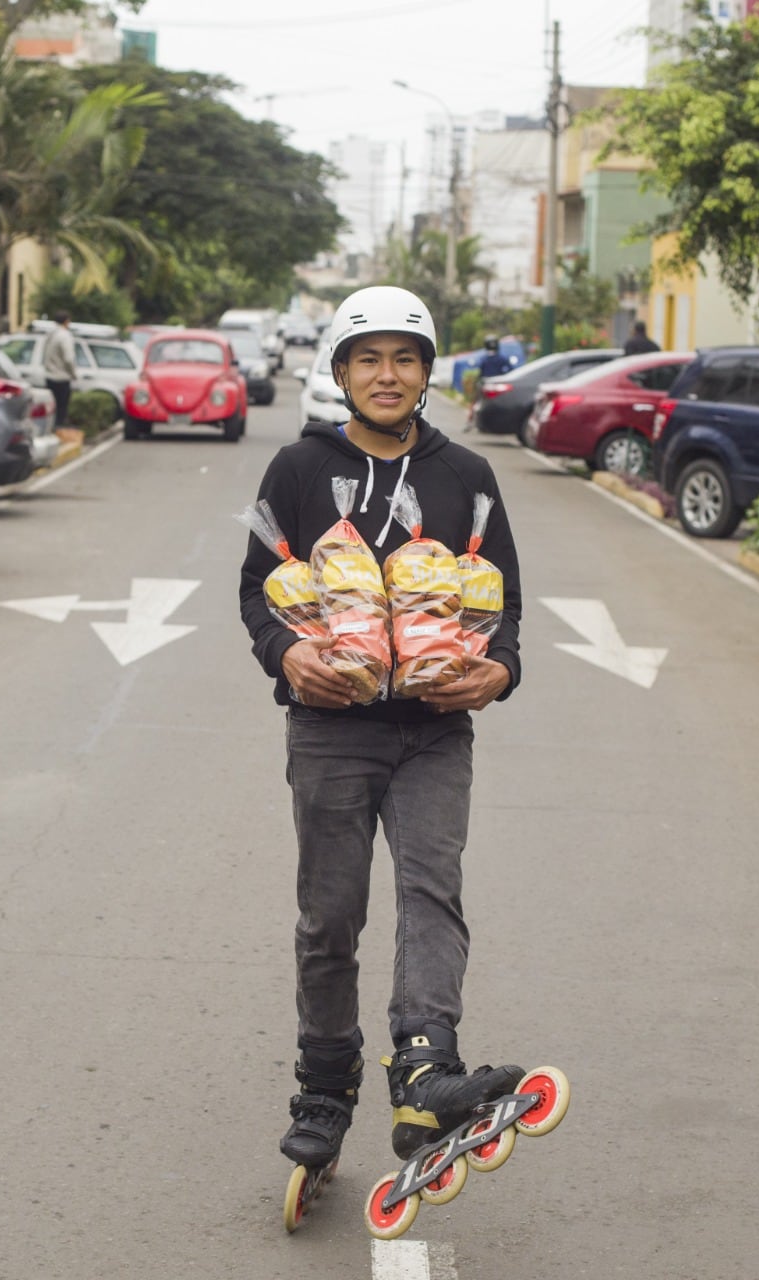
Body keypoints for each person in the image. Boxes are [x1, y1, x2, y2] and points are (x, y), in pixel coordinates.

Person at [239, 285, 525, 1174]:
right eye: (368, 358)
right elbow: (257, 587)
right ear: (340, 372)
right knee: (330, 918)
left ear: (427, 374)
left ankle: (426, 1065)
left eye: (405, 358)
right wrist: (286, 653)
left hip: (435, 731)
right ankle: (324, 1091)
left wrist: (500, 671)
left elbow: (504, 601)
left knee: (430, 893)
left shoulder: (466, 477)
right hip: (330, 732)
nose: (387, 375)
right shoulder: (295, 468)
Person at [42, 311, 76, 427]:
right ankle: (58, 430)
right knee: (61, 409)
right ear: (66, 321)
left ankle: (50, 429)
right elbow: (69, 359)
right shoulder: (65, 335)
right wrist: (73, 373)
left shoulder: (50, 334)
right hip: (62, 377)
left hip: (49, 375)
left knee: (51, 407)